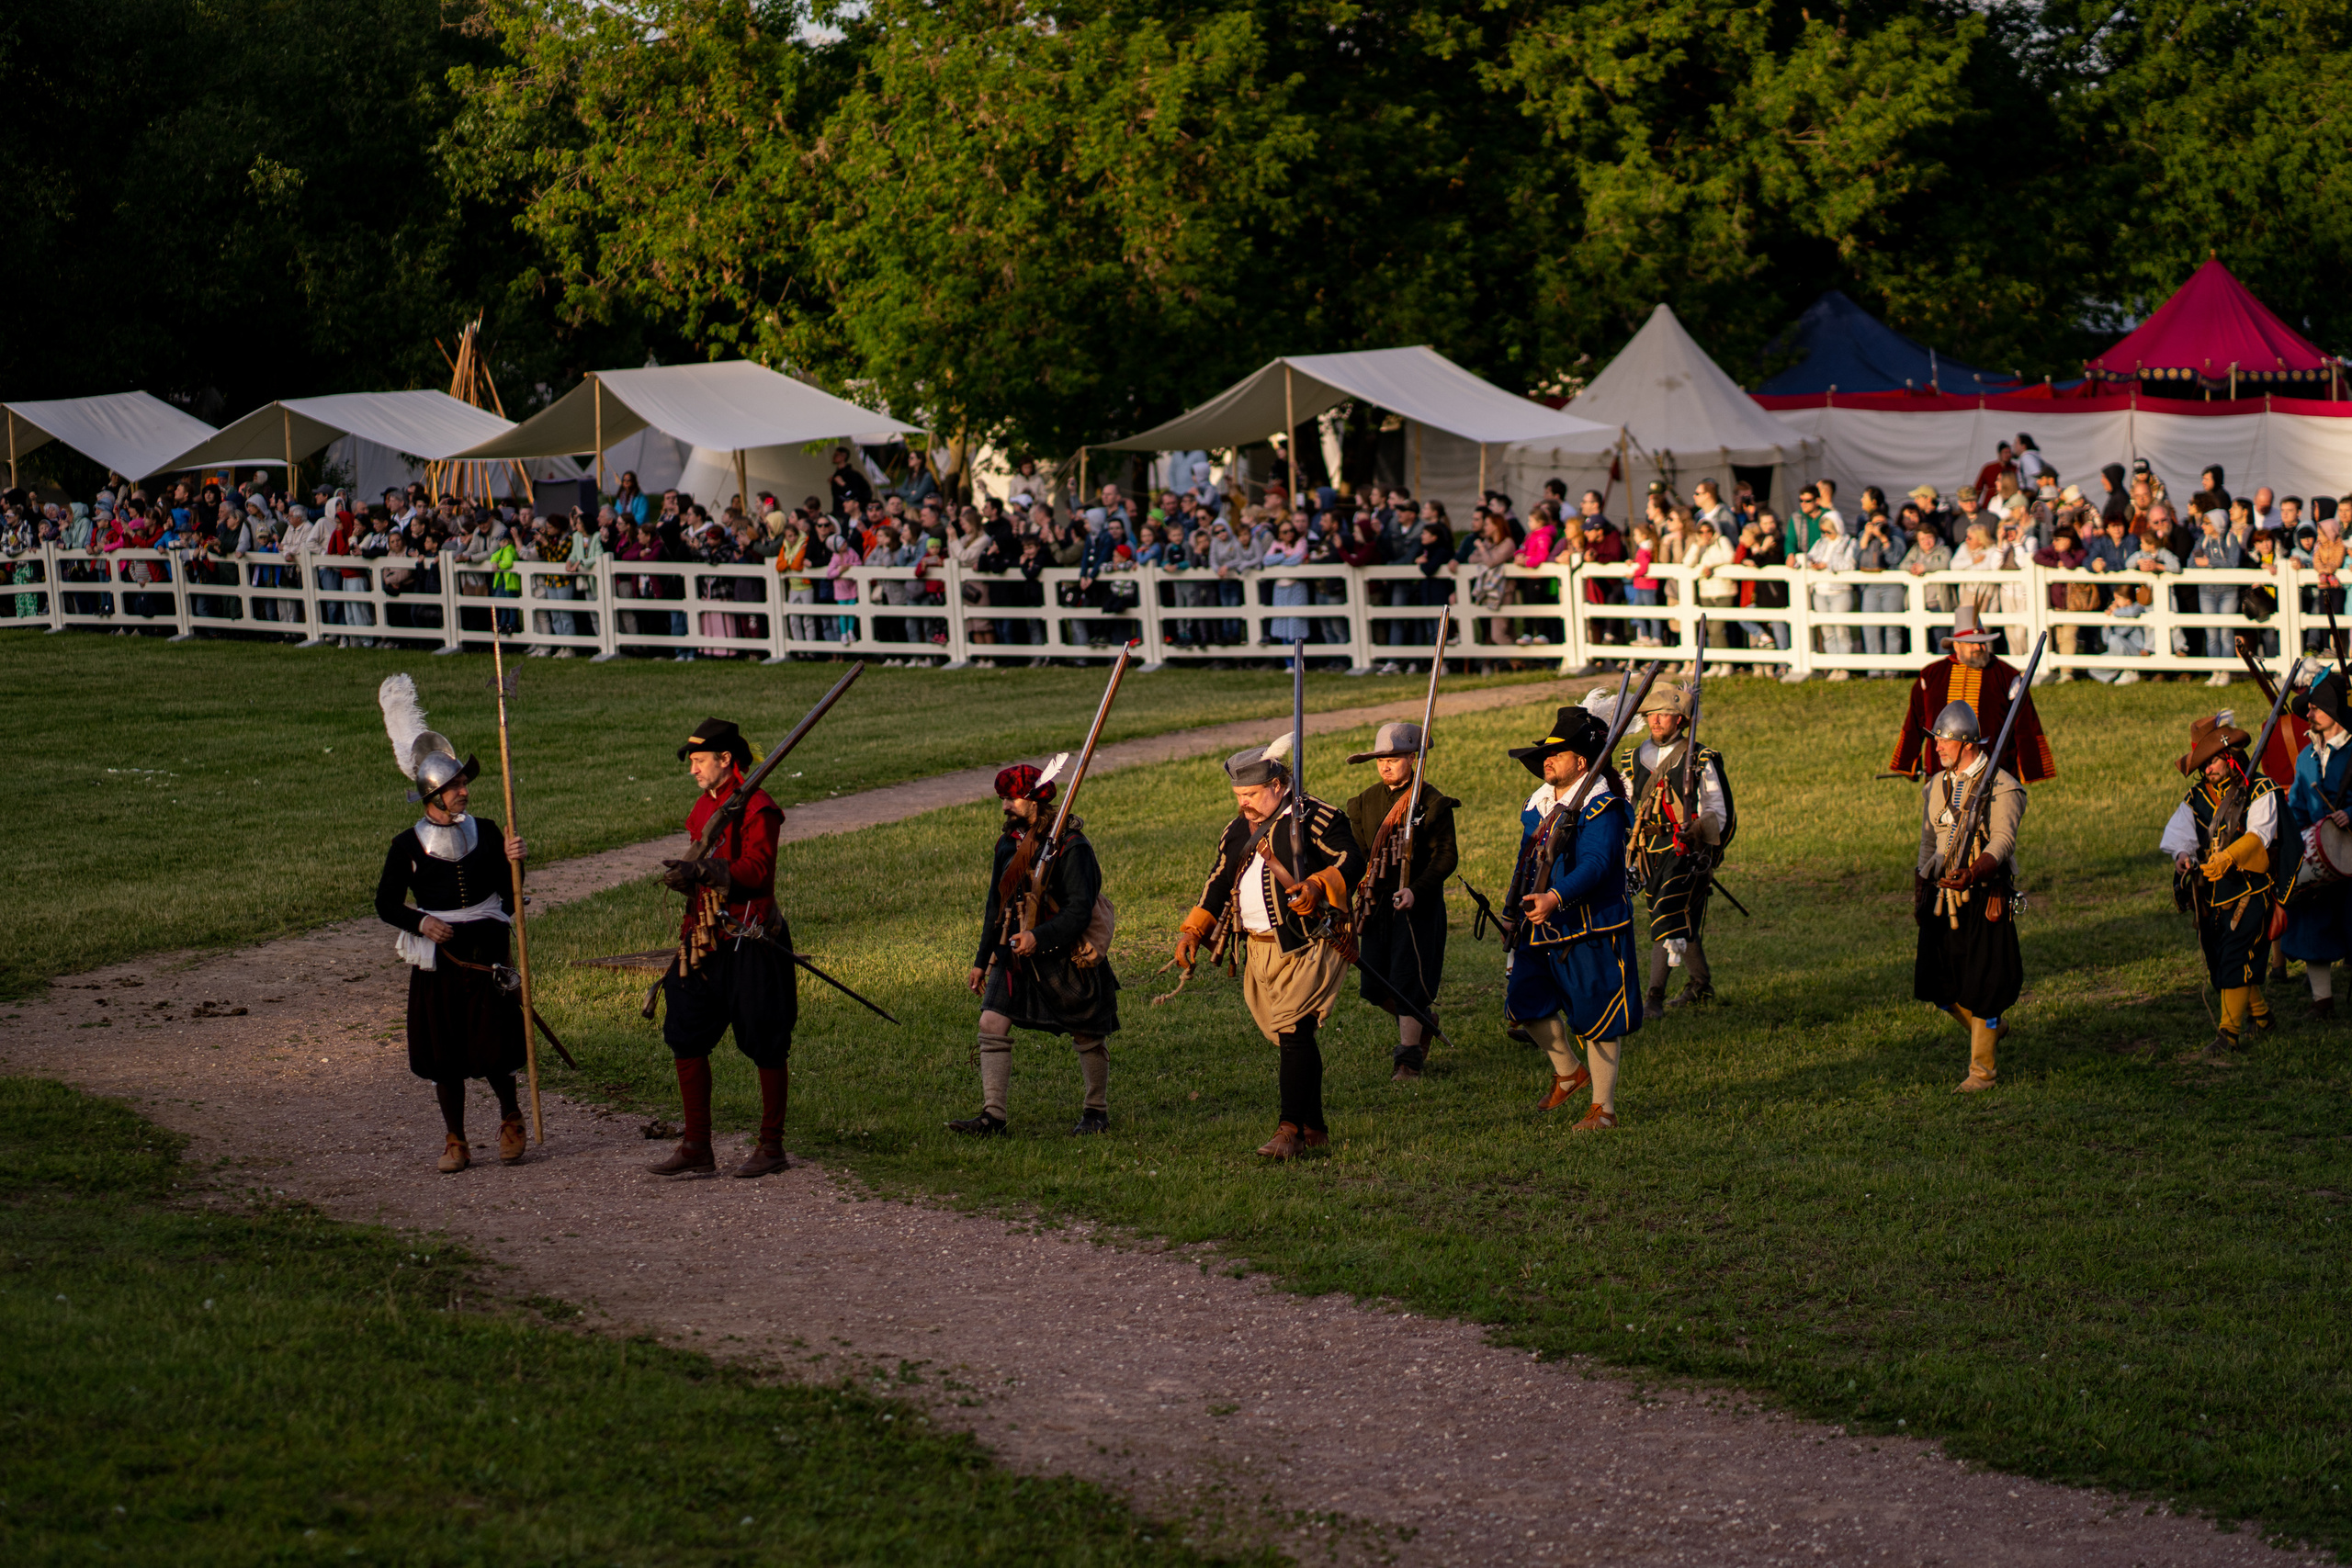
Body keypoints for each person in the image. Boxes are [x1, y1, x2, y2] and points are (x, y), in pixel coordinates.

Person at [1171, 735, 1364, 1160]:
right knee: (1292, 1036)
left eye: (1252, 793)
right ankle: (1315, 1128)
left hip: (1309, 942)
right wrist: (1194, 930)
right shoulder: (1238, 827)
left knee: (1295, 1032)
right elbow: (1220, 879)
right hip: (1259, 949)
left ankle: (1289, 1130)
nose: (1245, 803)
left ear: (1278, 784)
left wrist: (1317, 884)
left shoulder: (1314, 816)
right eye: (1239, 795)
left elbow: (1352, 859)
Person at [372, 676, 530, 1174]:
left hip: (486, 950)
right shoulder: (404, 846)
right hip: (441, 958)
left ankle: (511, 1119)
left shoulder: (485, 830)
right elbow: (385, 904)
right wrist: (422, 924)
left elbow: (508, 896)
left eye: (464, 785)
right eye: (456, 786)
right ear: (433, 796)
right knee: (446, 1052)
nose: (465, 791)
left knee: (494, 1045)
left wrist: (514, 862)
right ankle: (456, 1139)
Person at [649, 718, 797, 1179]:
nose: (692, 769)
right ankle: (697, 1145)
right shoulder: (702, 809)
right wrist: (687, 878)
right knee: (685, 1030)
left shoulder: (760, 808)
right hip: (706, 937)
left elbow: (756, 873)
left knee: (765, 1040)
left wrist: (706, 872)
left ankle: (771, 1147)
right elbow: (703, 872)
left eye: (698, 761)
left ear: (726, 760)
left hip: (751, 939)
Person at [952, 760, 1118, 1136]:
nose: (1006, 807)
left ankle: (1096, 1111)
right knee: (990, 1022)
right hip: (1015, 950)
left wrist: (1038, 937)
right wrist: (981, 961)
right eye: (1003, 799)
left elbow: (1078, 911)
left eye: (1012, 798)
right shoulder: (1007, 845)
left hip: (1063, 950)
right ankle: (993, 1117)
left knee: (1087, 1033)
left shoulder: (1073, 848)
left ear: (1034, 800)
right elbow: (996, 905)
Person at [1501, 705, 1644, 1132]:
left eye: (1558, 753)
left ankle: (1604, 1109)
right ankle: (1568, 1072)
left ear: (1581, 762)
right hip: (1540, 924)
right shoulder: (1541, 806)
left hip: (1593, 926)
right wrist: (1512, 911)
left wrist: (1556, 896)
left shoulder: (1603, 805)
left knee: (1597, 1017)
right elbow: (1528, 861)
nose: (1547, 759)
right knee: (1523, 1003)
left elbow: (1598, 864)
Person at [1913, 699, 2026, 1092]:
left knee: (1984, 985)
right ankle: (1990, 1029)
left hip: (1983, 896)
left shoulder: (2003, 787)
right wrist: (1920, 886)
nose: (1938, 747)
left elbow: (2003, 842)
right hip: (1943, 894)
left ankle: (1983, 1072)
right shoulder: (1936, 786)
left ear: (1966, 744)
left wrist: (1974, 871)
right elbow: (1929, 842)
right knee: (1938, 983)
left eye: (1943, 741)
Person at [2162, 714, 2285, 1056]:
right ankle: (2261, 1016)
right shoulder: (2197, 796)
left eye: (2213, 760)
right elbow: (2180, 836)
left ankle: (2227, 1036)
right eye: (2203, 764)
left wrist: (2228, 858)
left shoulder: (2260, 790)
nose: (2208, 770)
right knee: (2222, 962)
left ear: (2230, 756)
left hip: (2250, 891)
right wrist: (2184, 856)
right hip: (2213, 895)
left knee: (2234, 957)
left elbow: (2260, 836)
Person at [1342, 722, 1458, 1081]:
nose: (1385, 766)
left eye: (1393, 758)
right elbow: (1358, 855)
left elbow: (1446, 857)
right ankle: (1423, 1022)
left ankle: (1408, 1061)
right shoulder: (1363, 803)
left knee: (1408, 981)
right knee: (1375, 985)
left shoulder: (1432, 802)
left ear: (1412, 758)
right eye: (1381, 759)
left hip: (1416, 906)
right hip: (1376, 905)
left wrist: (1415, 890)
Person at [1625, 682, 1734, 1011]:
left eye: (1665, 714)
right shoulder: (1631, 758)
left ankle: (1653, 997)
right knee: (1681, 919)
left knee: (1667, 916)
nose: (1656, 720)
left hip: (1685, 851)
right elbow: (1625, 805)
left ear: (1681, 720)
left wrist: (1696, 831)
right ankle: (1701, 985)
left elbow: (1719, 810)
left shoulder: (1700, 758)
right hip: (1647, 853)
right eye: (1652, 714)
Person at [1888, 606, 2057, 784]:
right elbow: (1914, 723)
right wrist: (1907, 764)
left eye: (1982, 642)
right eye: (1971, 643)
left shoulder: (2006, 676)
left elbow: (2025, 725)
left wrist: (2033, 768)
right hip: (1941, 773)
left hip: (1992, 775)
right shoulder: (1931, 676)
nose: (1979, 647)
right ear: (1956, 645)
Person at [2279, 671, 2352, 1019]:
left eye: (2314, 708)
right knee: (2310, 920)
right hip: (2319, 854)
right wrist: (2297, 843)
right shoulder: (2305, 758)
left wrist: (2351, 814)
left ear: (2331, 710)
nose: (2307, 715)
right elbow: (2296, 806)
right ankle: (2322, 1001)